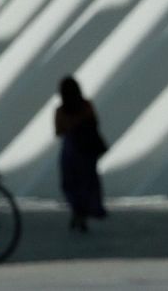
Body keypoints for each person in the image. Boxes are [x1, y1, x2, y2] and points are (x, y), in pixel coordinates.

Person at [54, 76, 107, 232]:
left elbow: (58, 131)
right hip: (87, 149)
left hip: (70, 149)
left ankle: (77, 212)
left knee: (70, 183)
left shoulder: (60, 110)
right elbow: (95, 123)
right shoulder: (86, 106)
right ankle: (86, 212)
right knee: (87, 182)